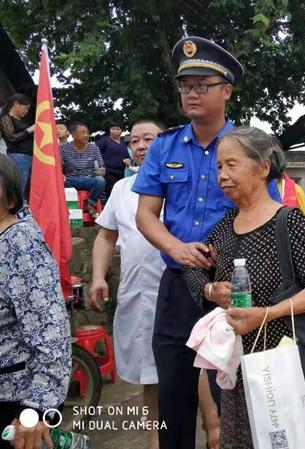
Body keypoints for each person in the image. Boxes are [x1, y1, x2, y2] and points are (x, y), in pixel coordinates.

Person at [133, 36, 279, 449]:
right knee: (173, 395)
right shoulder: (164, 147)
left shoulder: (251, 147)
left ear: (227, 90)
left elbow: (267, 214)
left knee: (234, 393)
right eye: (186, 86)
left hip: (235, 288)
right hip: (179, 285)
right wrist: (176, 248)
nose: (192, 93)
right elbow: (146, 214)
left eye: (203, 85)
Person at [182, 127, 305, 449]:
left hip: (281, 364)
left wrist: (266, 315)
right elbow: (191, 267)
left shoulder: (289, 221)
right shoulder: (225, 226)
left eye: (231, 164)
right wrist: (210, 290)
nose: (222, 175)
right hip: (237, 371)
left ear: (263, 167)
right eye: (218, 167)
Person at [89, 119, 165, 449]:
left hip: (179, 291)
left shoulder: (180, 184)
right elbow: (106, 237)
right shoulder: (121, 190)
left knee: (198, 366)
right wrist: (96, 277)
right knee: (149, 373)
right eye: (135, 140)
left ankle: (213, 429)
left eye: (149, 139)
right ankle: (154, 436)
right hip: (137, 291)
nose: (140, 146)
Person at [0, 154, 71, 449]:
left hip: (13, 402)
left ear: (10, 194)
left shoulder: (20, 241)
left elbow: (51, 332)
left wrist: (35, 411)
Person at [61, 122, 106, 218]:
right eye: (82, 132)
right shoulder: (63, 148)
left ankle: (90, 204)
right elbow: (57, 166)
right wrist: (61, 173)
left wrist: (100, 171)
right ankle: (66, 212)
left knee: (100, 181)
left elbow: (101, 166)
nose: (86, 135)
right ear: (73, 135)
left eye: (87, 132)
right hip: (70, 180)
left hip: (89, 179)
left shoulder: (94, 148)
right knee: (60, 181)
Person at [0, 93, 35, 195]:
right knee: (19, 187)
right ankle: (17, 210)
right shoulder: (6, 118)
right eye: (26, 108)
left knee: (27, 190)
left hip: (29, 157)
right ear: (16, 104)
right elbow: (12, 138)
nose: (27, 111)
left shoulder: (23, 121)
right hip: (17, 156)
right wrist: (29, 130)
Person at [96, 122, 131, 198]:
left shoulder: (123, 143)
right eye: (113, 129)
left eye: (117, 129)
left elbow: (126, 156)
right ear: (110, 130)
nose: (115, 131)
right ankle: (111, 208)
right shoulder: (105, 140)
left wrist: (128, 160)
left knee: (121, 190)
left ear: (121, 131)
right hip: (108, 171)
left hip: (120, 172)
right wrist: (99, 165)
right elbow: (95, 150)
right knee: (113, 189)